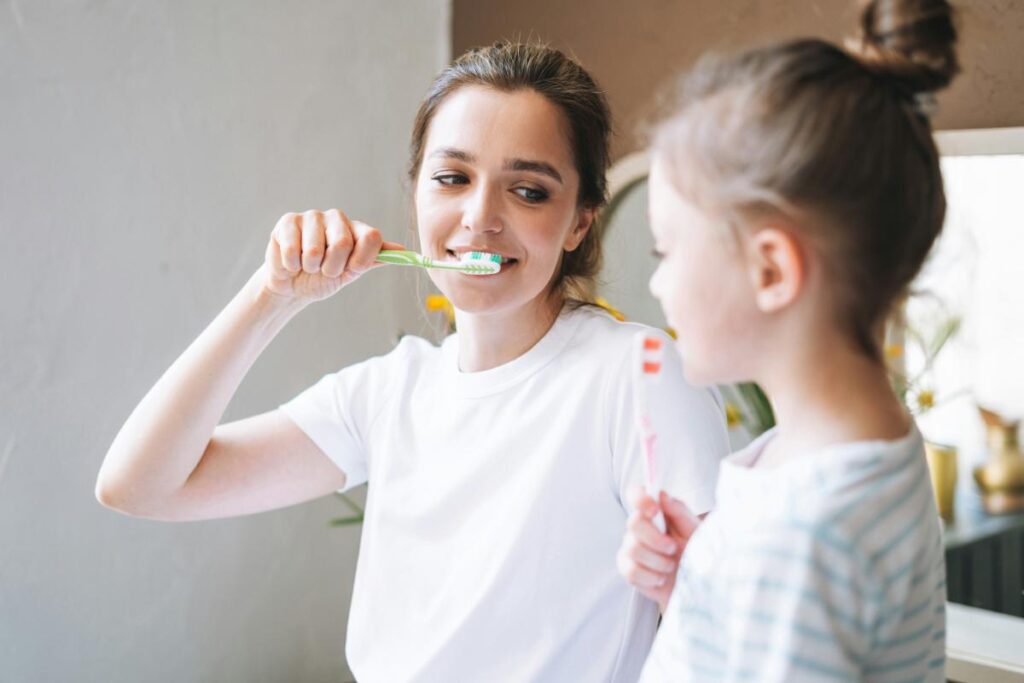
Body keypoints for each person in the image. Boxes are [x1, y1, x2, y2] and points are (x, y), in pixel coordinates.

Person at [96, 42, 729, 682]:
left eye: (529, 190)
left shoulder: (637, 375)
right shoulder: (388, 393)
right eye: (452, 178)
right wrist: (270, 298)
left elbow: (726, 624)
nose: (480, 217)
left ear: (579, 224)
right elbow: (139, 485)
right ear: (417, 194)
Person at [618, 1, 959, 679]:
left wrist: (750, 583)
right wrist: (702, 594)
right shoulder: (863, 450)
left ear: (771, 269)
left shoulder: (802, 538)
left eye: (666, 250)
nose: (658, 285)